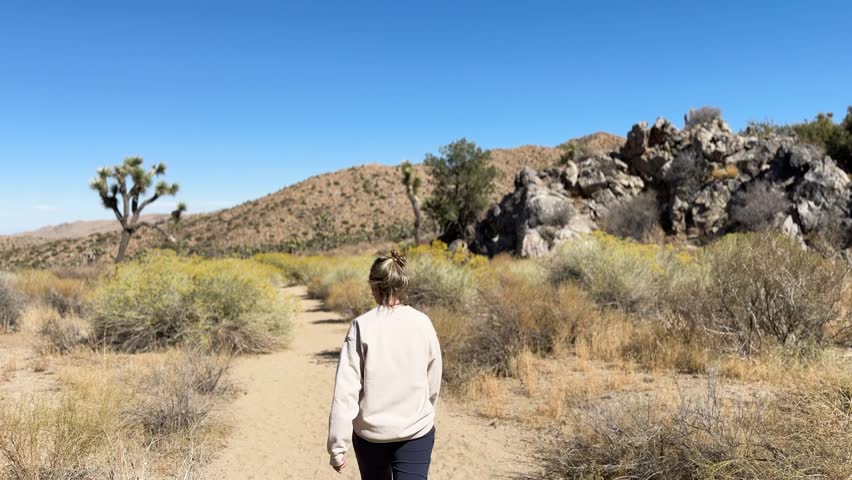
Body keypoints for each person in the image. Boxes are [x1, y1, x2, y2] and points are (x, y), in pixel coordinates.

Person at [327, 250, 442, 479]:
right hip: (416, 433)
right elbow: (434, 379)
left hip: (371, 438)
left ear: (375, 287)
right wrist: (423, 411)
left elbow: (346, 391)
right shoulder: (422, 323)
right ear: (401, 285)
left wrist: (337, 448)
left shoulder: (362, 326)